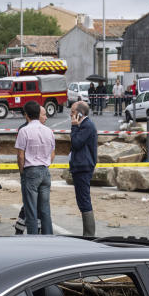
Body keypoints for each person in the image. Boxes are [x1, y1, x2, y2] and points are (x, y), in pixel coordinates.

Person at [15, 101, 55, 234]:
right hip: (45, 170)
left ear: (26, 115)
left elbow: (20, 156)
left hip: (31, 170)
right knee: (45, 210)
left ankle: (33, 239)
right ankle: (48, 237)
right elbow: (52, 153)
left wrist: (22, 172)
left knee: (31, 209)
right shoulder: (49, 131)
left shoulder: (24, 131)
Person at [69, 100, 98, 236]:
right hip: (80, 166)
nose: (71, 115)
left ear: (80, 113)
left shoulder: (86, 126)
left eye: (73, 112)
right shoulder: (84, 125)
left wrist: (74, 127)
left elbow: (76, 143)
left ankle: (89, 234)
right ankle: (88, 232)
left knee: (84, 199)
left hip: (83, 167)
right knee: (82, 199)